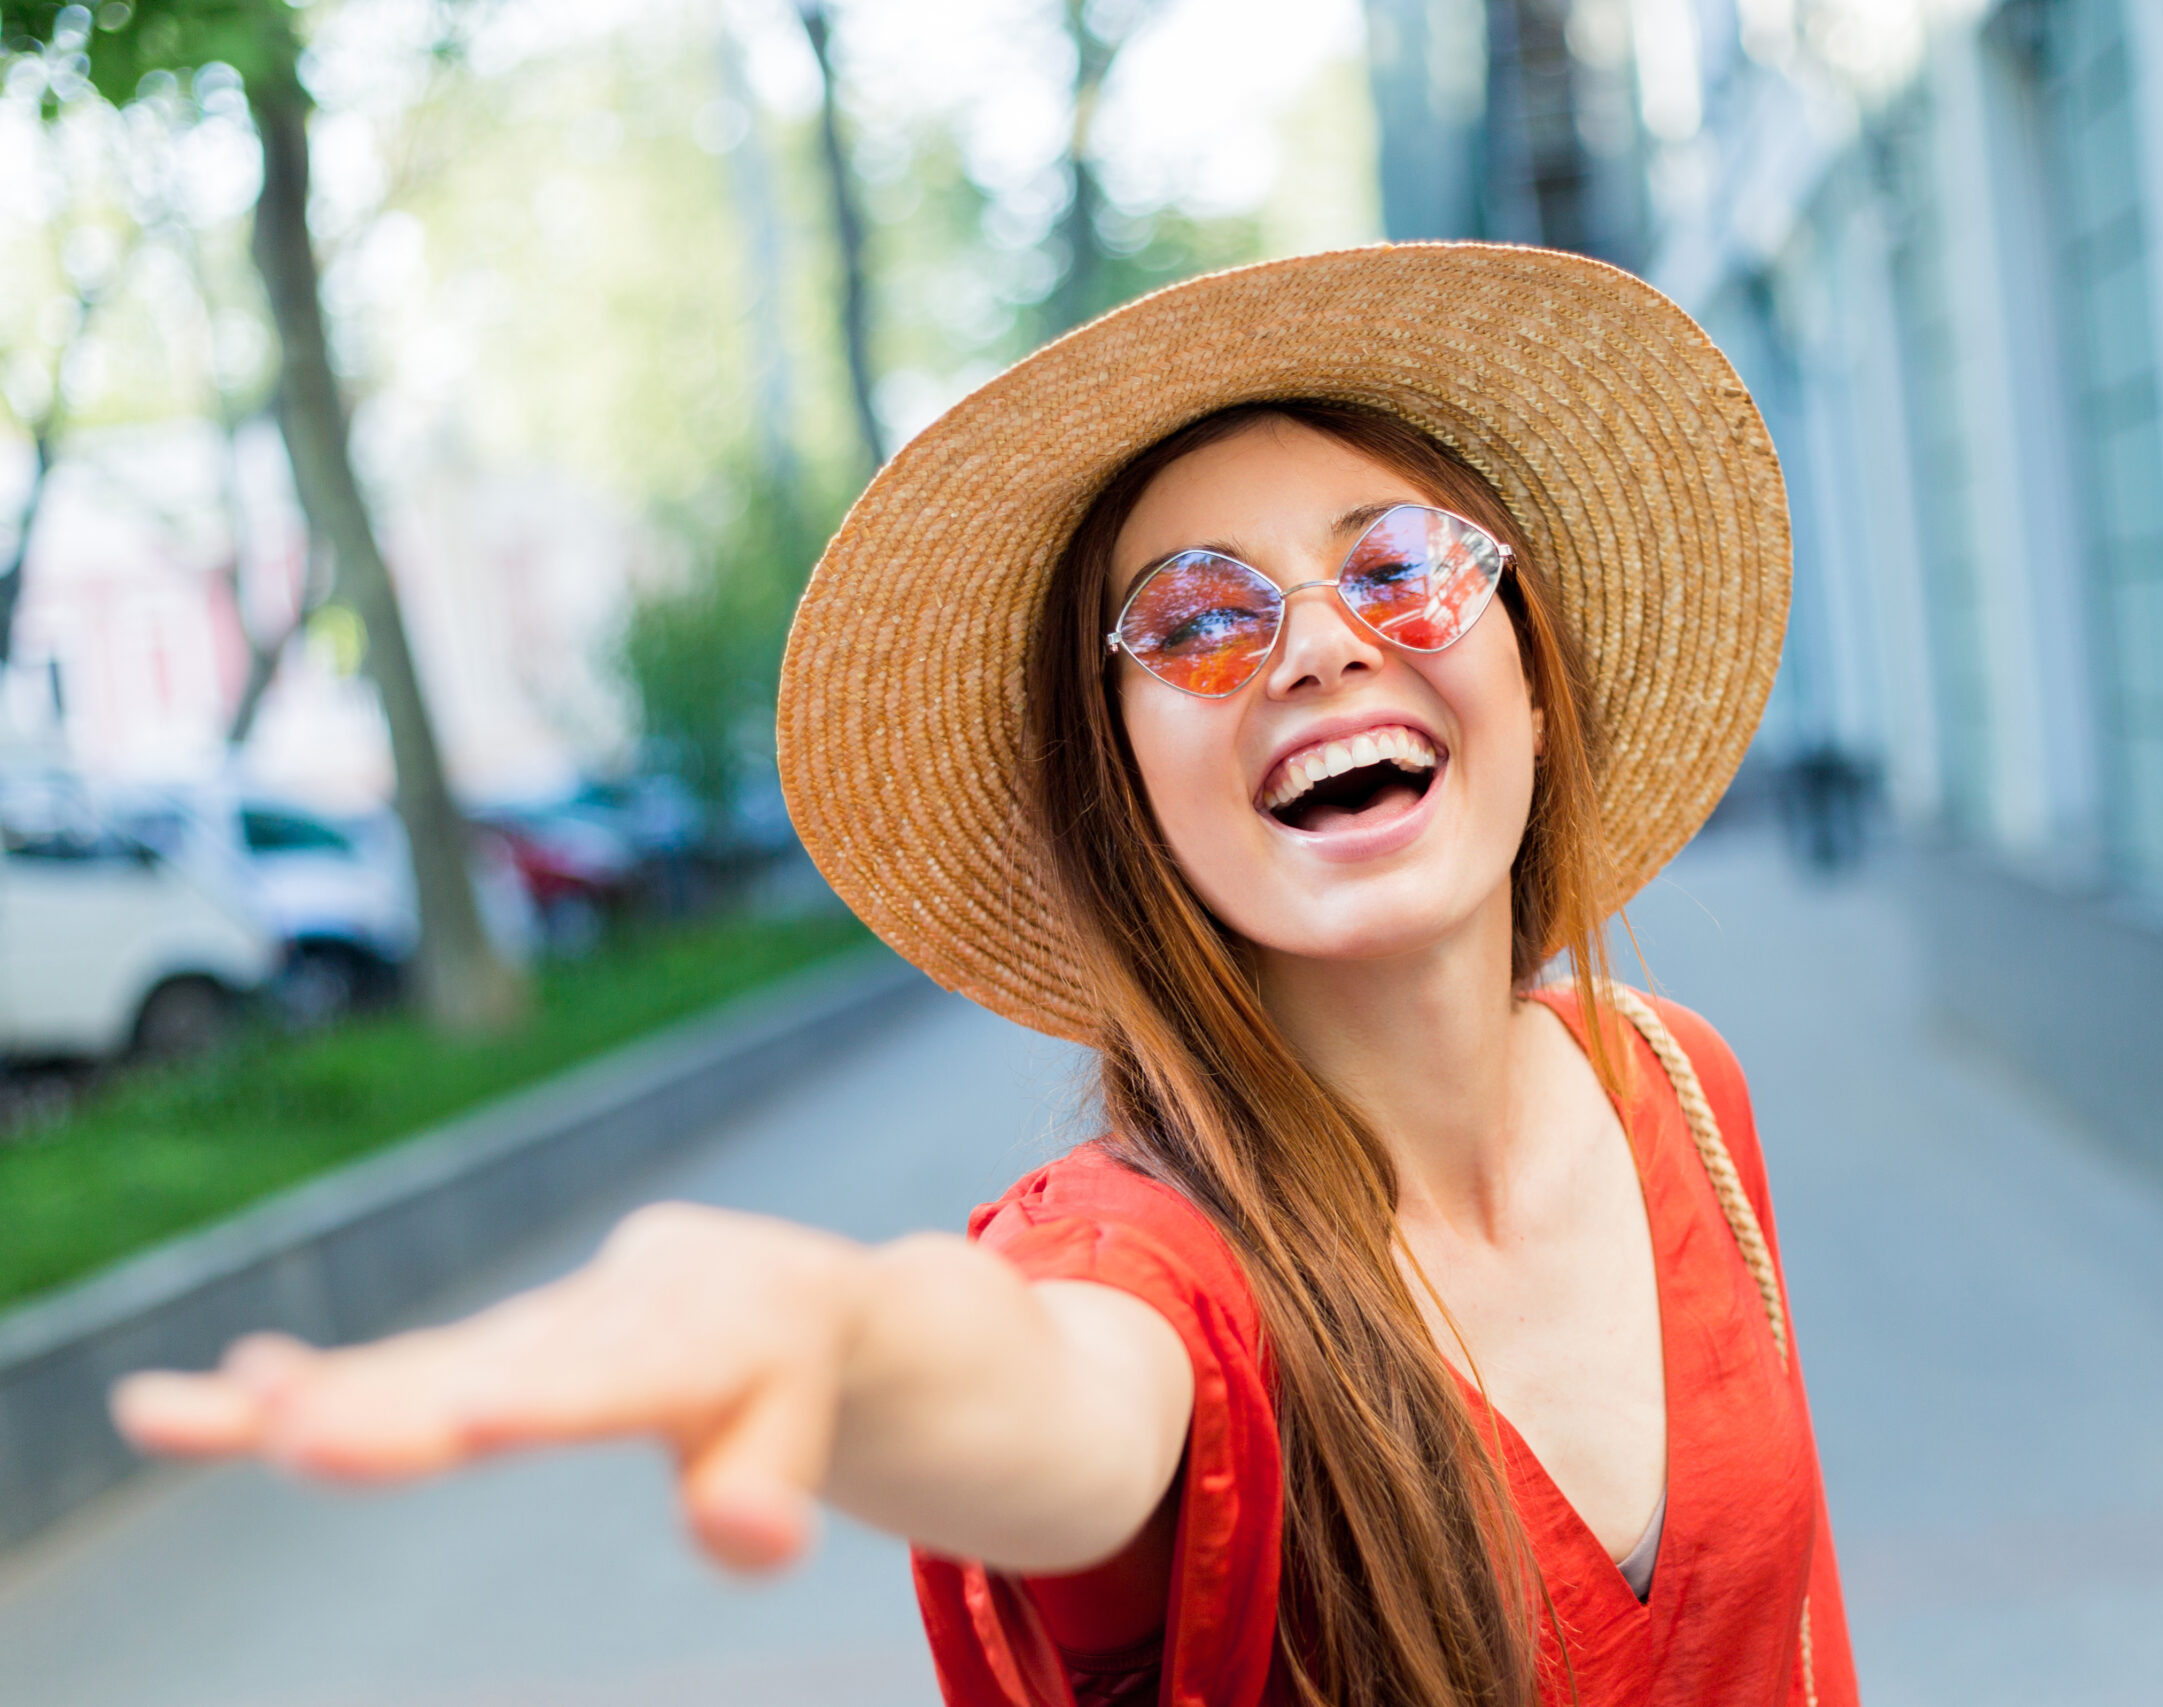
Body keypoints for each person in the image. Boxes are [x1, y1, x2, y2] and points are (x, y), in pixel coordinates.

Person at [114, 244, 1857, 1707]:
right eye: (1194, 620)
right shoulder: (1141, 1274)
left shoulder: (1678, 1085)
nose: (1321, 643)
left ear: (1530, 673)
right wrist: (842, 1348)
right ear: (1128, 796)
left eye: (1397, 567)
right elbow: (1050, 1395)